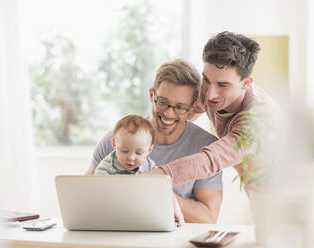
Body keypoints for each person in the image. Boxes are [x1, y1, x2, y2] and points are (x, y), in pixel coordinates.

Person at [86, 59, 223, 224]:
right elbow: (85, 198)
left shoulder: (207, 149)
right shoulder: (115, 141)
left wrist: (158, 190)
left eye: (179, 107)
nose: (169, 114)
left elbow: (208, 217)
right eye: (163, 102)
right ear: (152, 94)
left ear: (193, 106)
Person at [145, 31, 278, 193]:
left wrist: (146, 180)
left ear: (246, 83)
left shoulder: (257, 122)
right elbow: (180, 117)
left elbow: (210, 160)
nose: (209, 94)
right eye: (206, 80)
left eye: (223, 85)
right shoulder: (207, 92)